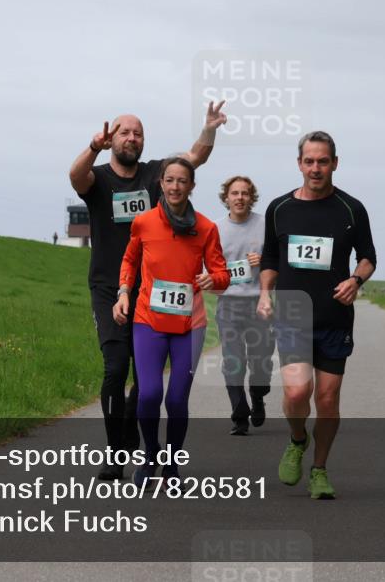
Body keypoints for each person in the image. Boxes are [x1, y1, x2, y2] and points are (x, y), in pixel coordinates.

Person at [68, 103, 227, 481]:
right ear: (112, 140)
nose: (131, 138)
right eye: (124, 132)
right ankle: (115, 452)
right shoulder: (99, 177)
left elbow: (194, 158)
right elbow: (75, 177)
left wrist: (209, 128)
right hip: (110, 287)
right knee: (114, 367)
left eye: (137, 133)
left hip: (155, 288)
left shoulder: (155, 173)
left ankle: (135, 433)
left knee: (146, 380)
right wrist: (92, 147)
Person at [257, 131, 376, 499]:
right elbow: (270, 258)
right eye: (309, 161)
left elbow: (368, 257)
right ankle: (297, 439)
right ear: (299, 164)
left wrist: (356, 280)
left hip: (334, 318)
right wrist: (265, 294)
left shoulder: (351, 209)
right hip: (292, 315)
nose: (316, 168)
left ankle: (320, 470)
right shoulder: (279, 209)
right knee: (297, 392)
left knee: (326, 400)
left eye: (323, 161)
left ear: (334, 163)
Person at [113, 157, 230, 485]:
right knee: (149, 394)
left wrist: (213, 279)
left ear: (191, 186)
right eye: (170, 180)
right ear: (161, 184)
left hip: (189, 326)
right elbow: (130, 260)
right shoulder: (144, 222)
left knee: (177, 398)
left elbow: (222, 274)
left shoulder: (206, 228)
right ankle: (151, 454)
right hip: (147, 320)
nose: (175, 187)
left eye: (182, 181)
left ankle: (173, 465)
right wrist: (123, 293)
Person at [214, 176, 273, 436]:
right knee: (233, 361)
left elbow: (277, 260)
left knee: (260, 361)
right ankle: (239, 415)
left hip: (260, 302)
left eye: (245, 193)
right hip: (228, 303)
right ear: (226, 198)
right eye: (235, 193)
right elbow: (210, 268)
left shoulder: (265, 225)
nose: (240, 198)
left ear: (251, 198)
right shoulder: (215, 229)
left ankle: (258, 395)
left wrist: (264, 259)